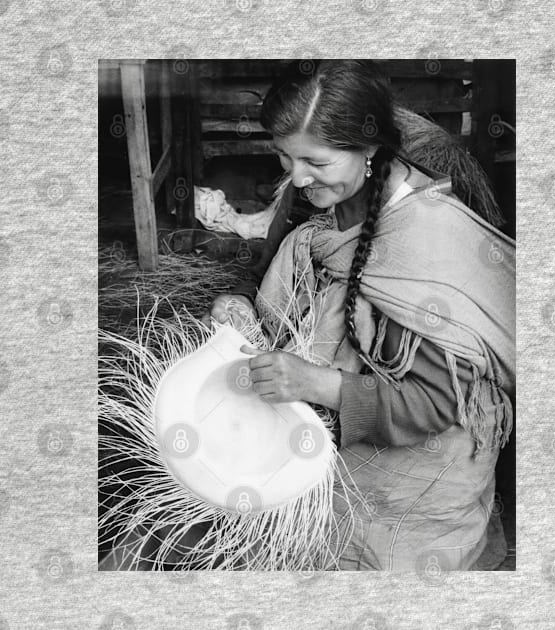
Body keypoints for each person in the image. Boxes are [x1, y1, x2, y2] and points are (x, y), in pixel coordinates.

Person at [206, 59, 515, 572]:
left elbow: (431, 405)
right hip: (332, 408)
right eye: (284, 156)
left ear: (369, 149)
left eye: (315, 163)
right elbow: (274, 263)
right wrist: (238, 301)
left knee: (350, 555)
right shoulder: (321, 191)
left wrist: (315, 383)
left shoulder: (425, 247)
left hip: (414, 462)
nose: (297, 177)